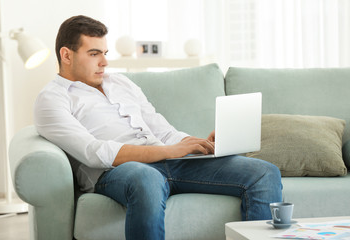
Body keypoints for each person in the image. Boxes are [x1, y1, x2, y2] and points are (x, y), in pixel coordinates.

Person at [34, 15, 282, 240]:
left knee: (264, 172)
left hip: (168, 161)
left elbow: (162, 130)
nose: (105, 62)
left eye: (105, 53)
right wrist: (167, 151)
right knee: (146, 177)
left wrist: (196, 144)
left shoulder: (120, 83)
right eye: (94, 54)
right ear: (66, 55)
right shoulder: (52, 99)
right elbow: (93, 152)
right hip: (117, 172)